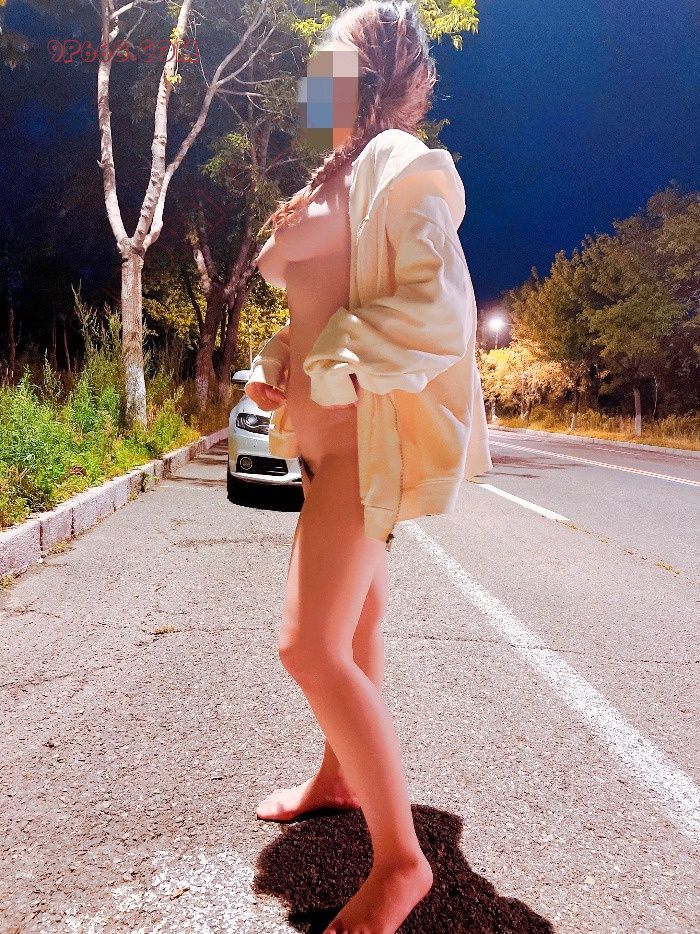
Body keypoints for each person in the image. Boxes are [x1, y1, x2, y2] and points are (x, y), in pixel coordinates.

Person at [245, 3, 492, 931]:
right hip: (320, 450)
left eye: (332, 59)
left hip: (361, 452)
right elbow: (322, 304)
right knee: (355, 627)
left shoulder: (395, 161)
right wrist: (282, 361)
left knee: (308, 646)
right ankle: (339, 776)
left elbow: (439, 307)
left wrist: (338, 361)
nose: (315, 74)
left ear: (374, 75)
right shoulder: (334, 174)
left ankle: (401, 864)